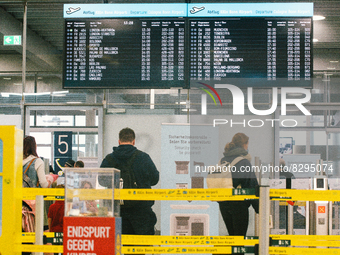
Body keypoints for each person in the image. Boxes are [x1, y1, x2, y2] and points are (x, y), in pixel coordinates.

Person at [100, 127, 159, 235]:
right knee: (141, 246)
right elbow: (155, 179)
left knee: (121, 246)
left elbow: (101, 181)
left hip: (118, 212)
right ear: (133, 141)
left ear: (119, 141)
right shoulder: (143, 158)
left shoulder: (108, 160)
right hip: (142, 212)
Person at [218, 133, 259, 236]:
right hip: (238, 205)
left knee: (232, 237)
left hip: (224, 205)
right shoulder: (243, 162)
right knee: (239, 239)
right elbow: (252, 185)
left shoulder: (222, 160)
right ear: (245, 144)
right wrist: (259, 208)